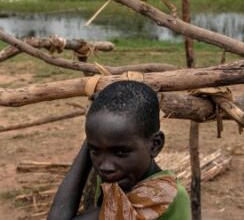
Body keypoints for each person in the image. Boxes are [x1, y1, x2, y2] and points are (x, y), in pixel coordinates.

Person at [47, 81, 191, 220]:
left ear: (155, 145)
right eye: (95, 150)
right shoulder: (118, 179)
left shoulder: (161, 194)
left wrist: (91, 142)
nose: (105, 167)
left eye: (121, 152)